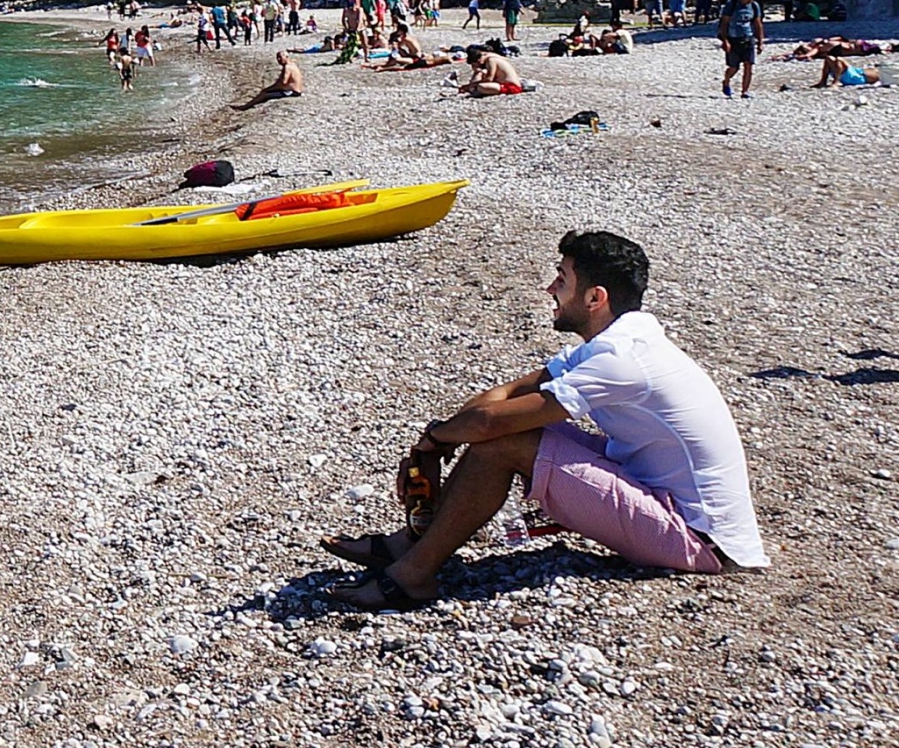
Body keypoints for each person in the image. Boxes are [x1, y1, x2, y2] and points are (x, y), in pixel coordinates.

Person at [324, 229, 766, 608]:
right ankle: (411, 543)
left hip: (700, 540)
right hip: (662, 499)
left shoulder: (623, 359)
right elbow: (507, 396)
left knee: (504, 441)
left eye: (562, 280)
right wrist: (439, 438)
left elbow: (491, 426)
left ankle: (413, 576)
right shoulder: (615, 341)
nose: (550, 290)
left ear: (595, 297)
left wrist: (432, 443)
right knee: (516, 425)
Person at [716, 0, 764, 97]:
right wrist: (725, 41)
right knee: (733, 67)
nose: (750, 0)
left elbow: (758, 24)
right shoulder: (731, 5)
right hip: (733, 39)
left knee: (749, 64)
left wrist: (760, 42)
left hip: (748, 38)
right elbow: (724, 23)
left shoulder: (754, 6)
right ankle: (726, 81)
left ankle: (745, 91)